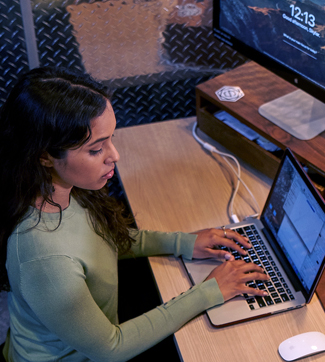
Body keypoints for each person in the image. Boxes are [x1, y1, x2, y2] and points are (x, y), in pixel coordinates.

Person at [0, 67, 269, 361]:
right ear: (45, 156)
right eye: (96, 149)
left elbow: (103, 240)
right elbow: (112, 349)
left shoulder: (63, 189)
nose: (114, 155)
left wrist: (182, 243)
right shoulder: (46, 259)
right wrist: (209, 292)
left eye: (111, 139)